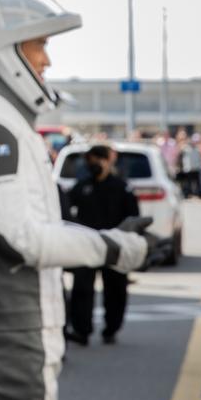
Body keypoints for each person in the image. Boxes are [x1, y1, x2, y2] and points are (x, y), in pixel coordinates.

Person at [0, 0, 152, 400]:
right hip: (7, 339)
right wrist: (115, 247)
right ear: (5, 49)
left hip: (13, 336)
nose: (47, 59)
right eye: (40, 43)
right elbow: (19, 236)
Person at [65, 144, 140, 346]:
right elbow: (66, 212)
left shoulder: (122, 187)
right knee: (82, 289)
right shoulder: (82, 187)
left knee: (116, 290)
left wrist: (130, 242)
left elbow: (133, 217)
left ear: (109, 160)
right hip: (87, 246)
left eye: (99, 158)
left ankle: (111, 328)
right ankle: (82, 330)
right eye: (91, 159)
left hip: (114, 246)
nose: (94, 163)